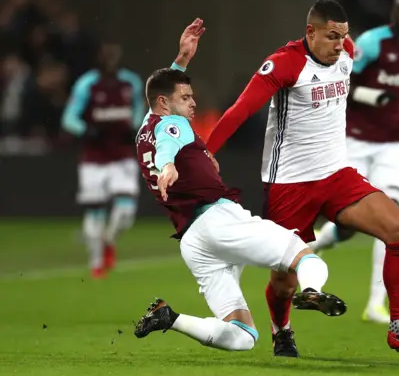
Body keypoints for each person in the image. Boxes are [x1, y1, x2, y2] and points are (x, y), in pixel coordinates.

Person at [205, 0, 399, 356]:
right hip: (289, 184)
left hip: (337, 175)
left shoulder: (348, 52)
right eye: (332, 37)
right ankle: (282, 330)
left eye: (343, 36)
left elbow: (354, 87)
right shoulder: (286, 63)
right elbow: (240, 110)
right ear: (311, 32)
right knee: (284, 283)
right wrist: (206, 151)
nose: (340, 44)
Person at [133, 19, 347, 352]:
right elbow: (167, 142)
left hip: (193, 243)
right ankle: (311, 291)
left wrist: (182, 59)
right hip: (217, 221)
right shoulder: (172, 124)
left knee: (242, 336)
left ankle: (168, 317)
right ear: (165, 104)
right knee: (304, 256)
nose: (193, 103)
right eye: (186, 97)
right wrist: (168, 165)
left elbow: (161, 104)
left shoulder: (145, 125)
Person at [309, 0, 399, 324]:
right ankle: (312, 248)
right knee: (347, 225)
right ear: (394, 11)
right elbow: (344, 80)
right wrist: (373, 95)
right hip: (355, 141)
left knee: (392, 219)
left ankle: (376, 303)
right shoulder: (373, 41)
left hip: (392, 145)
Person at [61, 40, 145, 279]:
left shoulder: (131, 82)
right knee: (95, 212)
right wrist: (86, 130)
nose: (110, 58)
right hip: (94, 158)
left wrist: (135, 127)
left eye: (113, 53)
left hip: (121, 156)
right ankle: (96, 262)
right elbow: (69, 118)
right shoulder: (87, 84)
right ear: (99, 56)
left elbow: (139, 109)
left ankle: (108, 241)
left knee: (126, 213)